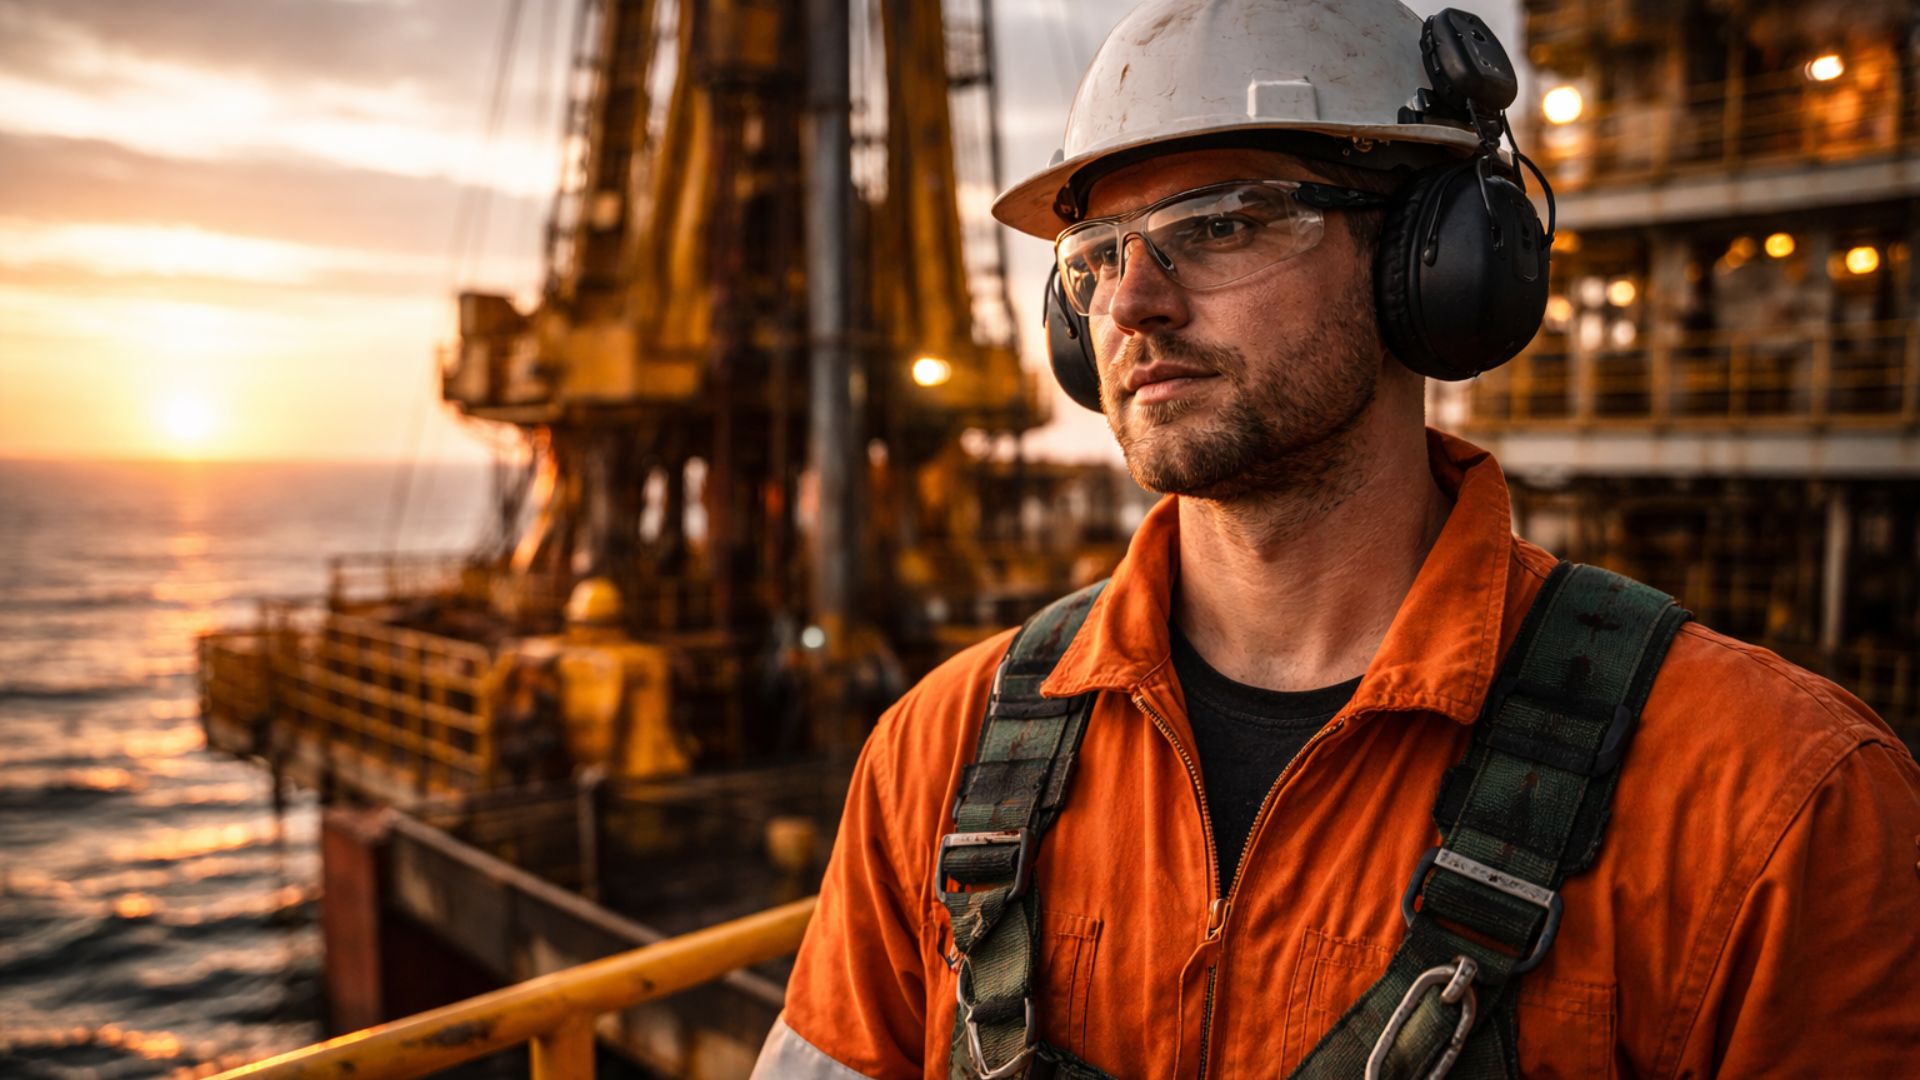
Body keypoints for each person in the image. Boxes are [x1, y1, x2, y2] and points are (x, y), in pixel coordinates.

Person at [754, 0, 1920, 1076]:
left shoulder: (1772, 801)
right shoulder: (937, 756)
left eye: (1222, 223)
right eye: (1099, 255)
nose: (1131, 304)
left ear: (1436, 261)